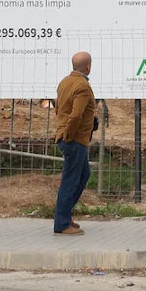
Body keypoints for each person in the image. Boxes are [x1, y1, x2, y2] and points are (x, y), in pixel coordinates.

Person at [54, 51, 96, 235]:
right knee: (70, 180)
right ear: (88, 67)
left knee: (83, 174)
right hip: (74, 139)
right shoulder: (82, 86)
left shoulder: (64, 82)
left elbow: (59, 107)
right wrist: (69, 136)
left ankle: (64, 214)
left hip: (69, 137)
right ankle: (62, 223)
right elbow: (76, 114)